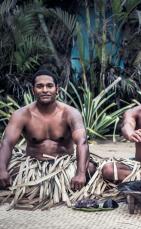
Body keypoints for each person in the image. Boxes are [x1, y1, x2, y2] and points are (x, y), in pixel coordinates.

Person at [0, 69, 96, 208]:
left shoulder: (70, 113)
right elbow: (7, 143)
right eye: (40, 86)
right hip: (33, 166)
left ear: (57, 89)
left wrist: (80, 173)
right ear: (33, 90)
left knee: (91, 168)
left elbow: (82, 142)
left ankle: (59, 186)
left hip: (64, 165)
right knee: (4, 169)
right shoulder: (22, 114)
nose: (45, 90)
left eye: (49, 86)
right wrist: (2, 169)